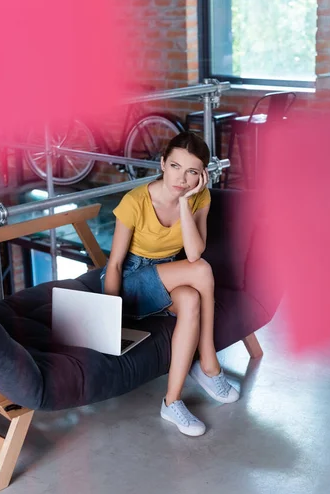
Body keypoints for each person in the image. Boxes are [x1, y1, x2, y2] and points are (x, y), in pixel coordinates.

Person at [101, 131, 239, 436]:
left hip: (170, 273)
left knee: (190, 298)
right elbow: (114, 264)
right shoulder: (135, 201)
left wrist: (186, 202)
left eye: (192, 171)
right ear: (163, 164)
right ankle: (208, 361)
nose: (182, 178)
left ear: (201, 175)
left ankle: (171, 401)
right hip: (132, 279)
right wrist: (108, 319)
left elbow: (192, 251)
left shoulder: (199, 196)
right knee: (202, 271)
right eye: (176, 166)